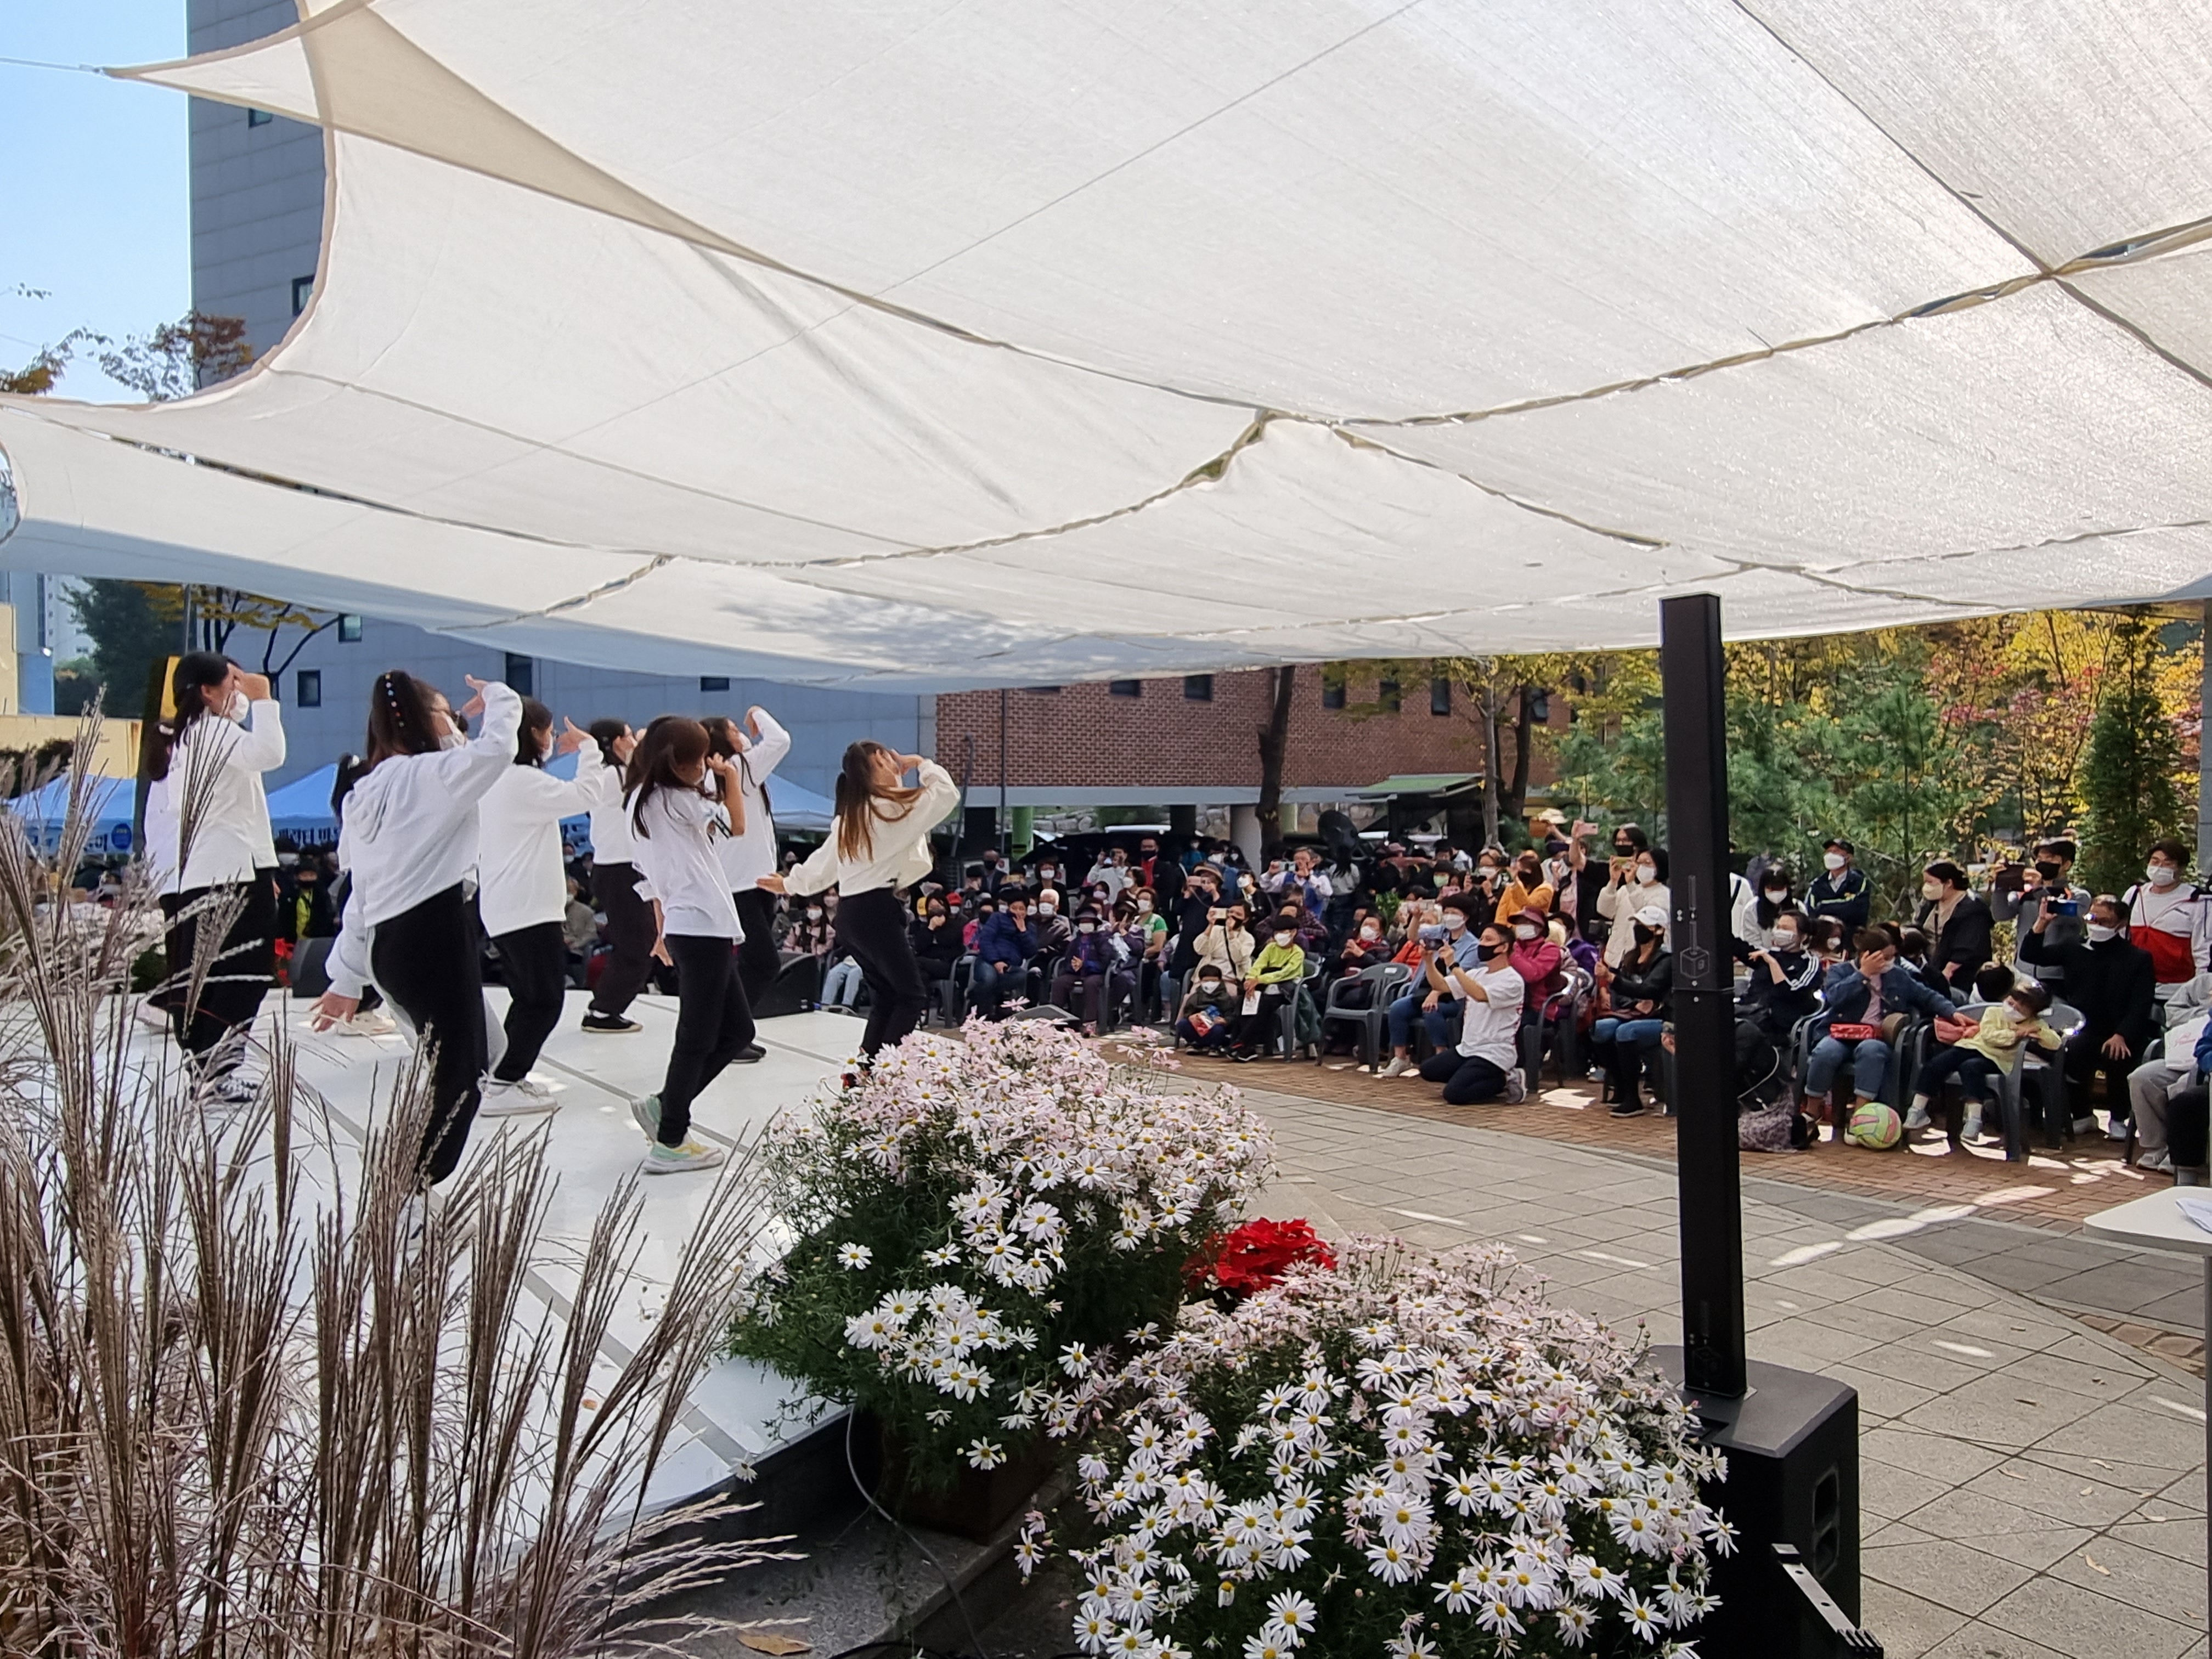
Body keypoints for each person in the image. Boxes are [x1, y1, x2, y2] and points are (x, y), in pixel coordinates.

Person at [315, 672, 520, 1190]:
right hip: (434, 935)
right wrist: (501, 695)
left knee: (459, 1066)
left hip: (395, 945)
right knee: (459, 1077)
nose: (456, 723)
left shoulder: (368, 790)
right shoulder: (433, 774)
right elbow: (498, 749)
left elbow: (361, 893)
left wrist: (347, 977)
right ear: (423, 720)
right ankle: (409, 1194)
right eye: (447, 713)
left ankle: (408, 1185)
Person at [146, 652, 286, 1105]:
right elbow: (270, 753)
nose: (241, 690)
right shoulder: (213, 732)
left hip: (198, 875)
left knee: (204, 973)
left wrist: (264, 866)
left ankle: (206, 1065)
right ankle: (218, 1069)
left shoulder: (183, 740)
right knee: (242, 971)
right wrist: (266, 701)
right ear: (208, 691)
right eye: (234, 681)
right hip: (229, 872)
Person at [765, 742, 959, 1057]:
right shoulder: (890, 810)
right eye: (882, 762)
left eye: (888, 757)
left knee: (887, 996)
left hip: (851, 913)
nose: (893, 764)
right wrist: (923, 764)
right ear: (868, 776)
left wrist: (790, 882)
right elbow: (946, 795)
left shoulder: (853, 816)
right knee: (910, 996)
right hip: (875, 910)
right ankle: (883, 1072)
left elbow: (823, 865)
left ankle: (866, 1072)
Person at [474, 698, 618, 1113]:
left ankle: (505, 1074)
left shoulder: (497, 779)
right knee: (544, 1000)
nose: (552, 739)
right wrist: (591, 750)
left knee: (529, 997)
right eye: (548, 731)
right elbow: (587, 794)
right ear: (530, 734)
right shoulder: (521, 780)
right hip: (527, 909)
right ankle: (504, 1081)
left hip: (512, 906)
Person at [623, 717, 749, 1173]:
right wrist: (730, 777)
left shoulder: (639, 802)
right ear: (677, 762)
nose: (703, 767)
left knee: (737, 1032)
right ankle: (671, 1139)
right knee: (698, 1036)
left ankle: (665, 1108)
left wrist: (661, 931)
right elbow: (737, 825)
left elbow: (653, 880)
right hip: (701, 925)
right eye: (697, 760)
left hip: (687, 922)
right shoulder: (679, 801)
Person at [2020, 893, 2155, 1140]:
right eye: (2092, 918)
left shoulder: (2137, 958)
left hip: (2119, 1028)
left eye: (2105, 921)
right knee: (2073, 1052)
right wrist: (2043, 922)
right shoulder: (2075, 947)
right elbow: (2031, 954)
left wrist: (2122, 1034)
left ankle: (2118, 1117)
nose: (2097, 925)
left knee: (2118, 1055)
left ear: (2121, 924)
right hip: (2084, 1026)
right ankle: (2082, 1115)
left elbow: (2141, 1003)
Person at [1803, 929, 1957, 1120]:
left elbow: (1928, 996)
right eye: (1884, 957)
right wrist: (1863, 975)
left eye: (1892, 956)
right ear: (1866, 955)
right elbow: (1834, 998)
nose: (1889, 961)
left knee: (1871, 1052)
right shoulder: (1840, 971)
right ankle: (1811, 1111)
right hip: (1841, 1033)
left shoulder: (1898, 976)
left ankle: (1861, 1117)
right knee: (1826, 1051)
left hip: (1876, 1036)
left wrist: (1953, 1013)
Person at [1905, 969, 2061, 1143]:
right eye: (2013, 999)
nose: (2014, 1006)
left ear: (2033, 1013)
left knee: (1971, 1068)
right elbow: (1989, 1036)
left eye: (2022, 1006)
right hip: (1971, 1047)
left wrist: (2038, 1032)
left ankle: (1974, 1120)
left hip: (1998, 1060)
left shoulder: (2035, 1023)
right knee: (1936, 1064)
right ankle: (1918, 1109)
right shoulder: (1993, 1013)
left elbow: (2055, 1043)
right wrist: (2015, 1035)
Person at [710, 706, 791, 1033]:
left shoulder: (731, 772)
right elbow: (780, 739)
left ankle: (729, 1028)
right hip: (742, 882)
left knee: (750, 961)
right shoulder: (738, 768)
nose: (740, 733)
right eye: (731, 729)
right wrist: (757, 713)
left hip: (753, 879)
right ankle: (730, 1028)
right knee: (764, 962)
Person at [579, 720, 653, 1034]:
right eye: (625, 735)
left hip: (625, 868)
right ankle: (603, 1010)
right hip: (618, 869)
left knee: (640, 941)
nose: (631, 739)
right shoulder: (612, 776)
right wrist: (638, 751)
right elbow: (646, 777)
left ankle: (607, 1007)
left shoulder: (621, 775)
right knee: (638, 943)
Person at [1373, 893, 1488, 1077]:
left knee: (1432, 1010)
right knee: (1398, 1008)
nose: (1449, 916)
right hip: (1424, 990)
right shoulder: (1439, 932)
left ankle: (1440, 1057)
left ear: (1465, 917)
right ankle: (1401, 1057)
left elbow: (1460, 978)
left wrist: (1436, 993)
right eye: (1447, 912)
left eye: (1454, 912)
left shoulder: (1472, 946)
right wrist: (1416, 918)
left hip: (1453, 997)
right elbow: (1413, 937)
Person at [1416, 919, 1528, 1105]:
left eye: (1488, 939)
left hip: (1494, 1052)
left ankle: (1506, 1079)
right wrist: (1428, 961)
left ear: (1503, 947)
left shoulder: (1513, 980)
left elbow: (1480, 994)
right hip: (1467, 1048)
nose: (1481, 943)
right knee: (1428, 1070)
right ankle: (1473, 1075)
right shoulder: (1478, 974)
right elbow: (1441, 985)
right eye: (1481, 938)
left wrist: (1454, 966)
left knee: (1454, 1094)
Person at [1592, 905, 1672, 1117]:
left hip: (1660, 1019)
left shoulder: (1666, 961)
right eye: (1636, 925)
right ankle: (1620, 1085)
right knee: (1601, 1029)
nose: (1638, 929)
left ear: (1659, 930)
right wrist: (1633, 1003)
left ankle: (1633, 1098)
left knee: (1625, 1033)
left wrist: (1613, 979)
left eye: (1643, 925)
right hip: (1631, 1013)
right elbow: (1622, 993)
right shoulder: (1630, 957)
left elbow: (1650, 989)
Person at [2128, 972, 2212, 1173]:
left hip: (2201, 1068)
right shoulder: (2202, 983)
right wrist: (2202, 1013)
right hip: (2180, 1053)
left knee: (2184, 1087)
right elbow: (2172, 1011)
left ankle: (2179, 1152)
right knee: (2141, 1078)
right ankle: (2156, 1147)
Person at [1994, 838, 2091, 991]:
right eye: (2039, 859)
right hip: (2023, 972)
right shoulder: (2025, 893)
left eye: (2050, 858)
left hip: (2057, 975)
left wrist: (2040, 890)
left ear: (2066, 864)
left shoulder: (2078, 895)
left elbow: (2064, 919)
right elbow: (2001, 915)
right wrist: (2001, 886)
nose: (2043, 862)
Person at [2120, 840, 2211, 1000]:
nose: (2159, 868)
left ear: (2181, 869)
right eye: (2155, 862)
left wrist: (2199, 994)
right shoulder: (2135, 894)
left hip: (2176, 991)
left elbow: (2203, 952)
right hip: (2132, 987)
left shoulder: (2197, 901)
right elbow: (2120, 937)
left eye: (2167, 863)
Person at [1230, 915, 1306, 1059]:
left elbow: (1284, 974)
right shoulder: (1270, 948)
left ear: (1293, 932)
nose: (1279, 936)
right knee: (1244, 1001)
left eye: (1283, 932)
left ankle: (1242, 1041)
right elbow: (1258, 965)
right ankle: (1247, 1047)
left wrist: (1260, 980)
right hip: (1264, 988)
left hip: (1285, 993)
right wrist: (1251, 979)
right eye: (1277, 933)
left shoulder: (1297, 953)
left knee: (1263, 1005)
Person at [1738, 910, 1821, 1041]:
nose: (1779, 931)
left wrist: (1772, 963)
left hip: (1775, 1025)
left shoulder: (1809, 963)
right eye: (1778, 927)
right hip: (1747, 1012)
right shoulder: (1769, 954)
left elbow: (1789, 992)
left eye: (1786, 929)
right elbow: (1740, 948)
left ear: (1803, 937)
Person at [1914, 860, 1993, 997]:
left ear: (1949, 883)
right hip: (1931, 969)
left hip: (1961, 978)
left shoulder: (1973, 908)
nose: (1927, 887)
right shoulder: (1930, 903)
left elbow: (1968, 946)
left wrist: (1947, 973)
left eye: (1931, 882)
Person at [1596, 845, 1670, 973]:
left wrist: (1631, 885)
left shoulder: (1664, 894)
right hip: (1615, 958)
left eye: (1647, 863)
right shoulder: (1625, 890)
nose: (1641, 867)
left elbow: (1648, 917)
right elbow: (1605, 911)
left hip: (1642, 959)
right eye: (1639, 862)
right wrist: (1613, 883)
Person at [1051, 906, 1120, 1030]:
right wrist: (1073, 966)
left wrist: (1086, 964)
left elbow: (1105, 962)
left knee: (1091, 984)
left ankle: (1090, 1023)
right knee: (1059, 983)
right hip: (1076, 973)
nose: (1086, 924)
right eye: (1083, 922)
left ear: (1094, 924)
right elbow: (1067, 961)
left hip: (1096, 973)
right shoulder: (1075, 942)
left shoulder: (1102, 940)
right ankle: (1058, 1021)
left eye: (1089, 922)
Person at [1805, 839, 1871, 934]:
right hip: (1823, 939)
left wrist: (1822, 906)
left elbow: (1857, 909)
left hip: (1852, 939)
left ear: (1848, 858)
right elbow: (1811, 912)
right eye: (1829, 852)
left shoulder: (1860, 882)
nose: (1830, 856)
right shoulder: (1817, 884)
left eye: (1835, 852)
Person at [1733, 863, 1796, 955]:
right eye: (1771, 889)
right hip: (1762, 961)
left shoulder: (1798, 907)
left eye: (1780, 889)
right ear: (1763, 888)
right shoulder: (1752, 910)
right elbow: (1752, 944)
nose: (1776, 893)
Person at [1175, 966, 1239, 1052]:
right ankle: (1194, 1043)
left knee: (1219, 1030)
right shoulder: (1195, 996)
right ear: (1201, 981)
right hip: (1198, 1026)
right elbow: (1188, 1011)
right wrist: (1191, 1017)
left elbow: (1231, 1014)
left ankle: (1214, 1046)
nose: (1210, 983)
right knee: (1182, 1024)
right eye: (1206, 981)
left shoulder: (1225, 998)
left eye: (1214, 981)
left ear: (1220, 981)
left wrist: (1225, 1021)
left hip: (1216, 1026)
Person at [1492, 851, 1554, 927]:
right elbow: (1501, 914)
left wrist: (1516, 881)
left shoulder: (1545, 889)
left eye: (1522, 870)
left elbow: (1528, 907)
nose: (1520, 873)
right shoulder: (1511, 888)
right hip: (1509, 932)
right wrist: (1500, 931)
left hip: (1531, 929)